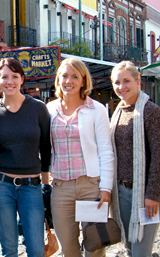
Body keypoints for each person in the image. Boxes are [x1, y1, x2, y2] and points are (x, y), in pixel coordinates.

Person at [46, 58, 114, 257]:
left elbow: (106, 151)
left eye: (75, 76)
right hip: (61, 189)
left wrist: (105, 188)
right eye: (65, 76)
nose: (69, 81)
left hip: (90, 186)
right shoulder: (49, 110)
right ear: (58, 80)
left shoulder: (97, 110)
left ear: (83, 81)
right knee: (68, 248)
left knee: (95, 247)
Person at [0, 58, 51, 257]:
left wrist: (45, 183)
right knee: (9, 249)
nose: (10, 81)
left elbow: (46, 147)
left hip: (31, 187)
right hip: (1, 186)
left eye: (14, 76)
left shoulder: (38, 108)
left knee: (36, 249)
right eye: (4, 76)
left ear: (22, 80)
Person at [110, 61, 160, 257]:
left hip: (145, 195)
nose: (121, 87)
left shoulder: (151, 111)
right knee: (128, 248)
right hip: (122, 194)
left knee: (140, 251)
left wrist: (152, 195)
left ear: (137, 81)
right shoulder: (117, 113)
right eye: (117, 82)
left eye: (126, 81)